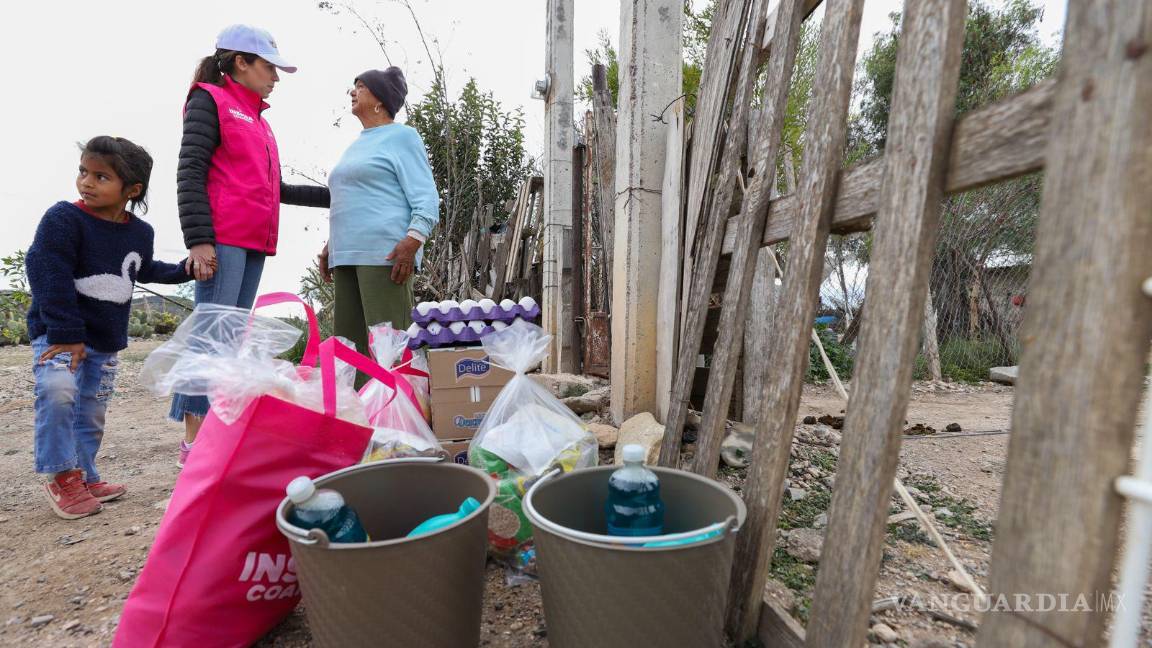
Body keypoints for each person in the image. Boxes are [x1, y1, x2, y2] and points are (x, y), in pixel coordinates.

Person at [171, 24, 330, 467]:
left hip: (253, 240)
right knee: (211, 337)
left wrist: (336, 194)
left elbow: (271, 187)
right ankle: (194, 440)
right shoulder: (210, 100)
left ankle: (211, 431)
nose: (275, 77)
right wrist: (199, 240)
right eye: (269, 67)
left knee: (229, 339)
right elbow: (190, 171)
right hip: (222, 238)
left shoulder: (259, 120)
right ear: (240, 62)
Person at [25, 136, 192, 519]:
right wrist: (67, 334)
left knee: (91, 411)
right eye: (84, 171)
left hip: (104, 341)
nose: (86, 182)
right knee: (58, 390)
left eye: (101, 177)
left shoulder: (139, 233)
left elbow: (144, 269)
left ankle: (85, 474)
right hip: (61, 337)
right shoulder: (63, 219)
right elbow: (47, 271)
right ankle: (61, 475)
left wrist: (184, 269)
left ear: (131, 190)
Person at [317, 67, 439, 375]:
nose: (352, 91)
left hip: (385, 255)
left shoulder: (402, 137)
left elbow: (426, 197)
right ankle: (359, 417)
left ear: (380, 101)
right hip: (347, 257)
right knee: (350, 349)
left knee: (388, 345)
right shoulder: (357, 144)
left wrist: (413, 241)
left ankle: (397, 417)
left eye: (360, 86)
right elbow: (352, 198)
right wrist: (330, 246)